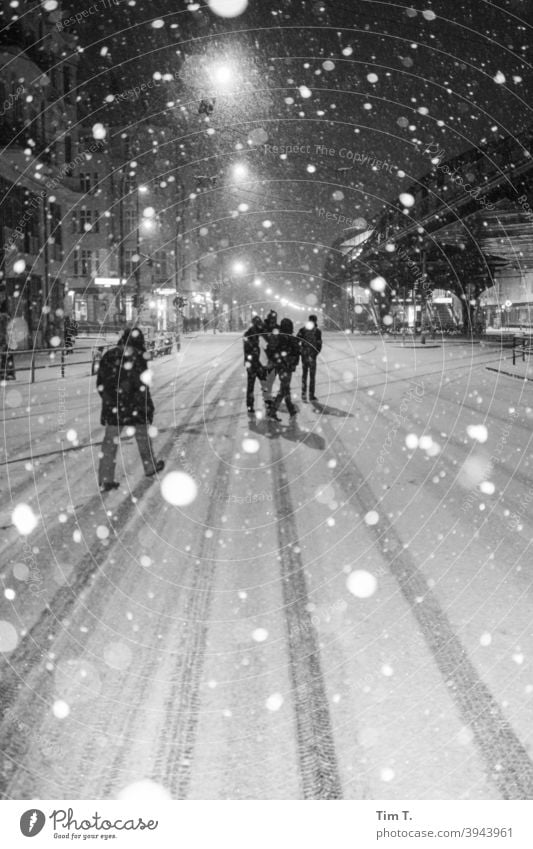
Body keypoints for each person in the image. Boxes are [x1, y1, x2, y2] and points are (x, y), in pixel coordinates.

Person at [96, 327, 164, 492]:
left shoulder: (109, 356)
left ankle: (106, 478)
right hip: (135, 407)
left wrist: (109, 400)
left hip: (114, 407)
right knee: (143, 438)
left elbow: (100, 384)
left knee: (110, 443)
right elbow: (143, 386)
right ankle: (149, 466)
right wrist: (147, 407)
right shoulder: (139, 358)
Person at [266, 317, 300, 421]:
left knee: (284, 389)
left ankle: (275, 412)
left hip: (280, 367)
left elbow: (270, 351)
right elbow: (297, 353)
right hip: (287, 368)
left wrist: (277, 361)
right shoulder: (291, 339)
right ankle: (289, 411)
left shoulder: (276, 338)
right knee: (284, 390)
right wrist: (291, 362)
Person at [243, 316, 267, 415]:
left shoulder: (249, 333)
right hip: (256, 363)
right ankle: (266, 402)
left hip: (253, 363)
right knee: (263, 383)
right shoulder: (255, 334)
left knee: (252, 385)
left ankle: (250, 405)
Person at [297, 314, 322, 401]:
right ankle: (311, 395)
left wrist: (301, 351)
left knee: (304, 375)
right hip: (312, 356)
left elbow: (297, 340)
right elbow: (319, 344)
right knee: (312, 376)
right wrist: (315, 353)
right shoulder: (317, 331)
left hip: (304, 355)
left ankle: (303, 394)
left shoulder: (303, 330)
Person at [260, 309, 279, 410]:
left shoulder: (267, 327)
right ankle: (267, 397)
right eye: (273, 318)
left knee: (270, 378)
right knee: (269, 378)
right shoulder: (265, 328)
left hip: (271, 356)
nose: (273, 320)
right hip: (267, 356)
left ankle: (267, 395)